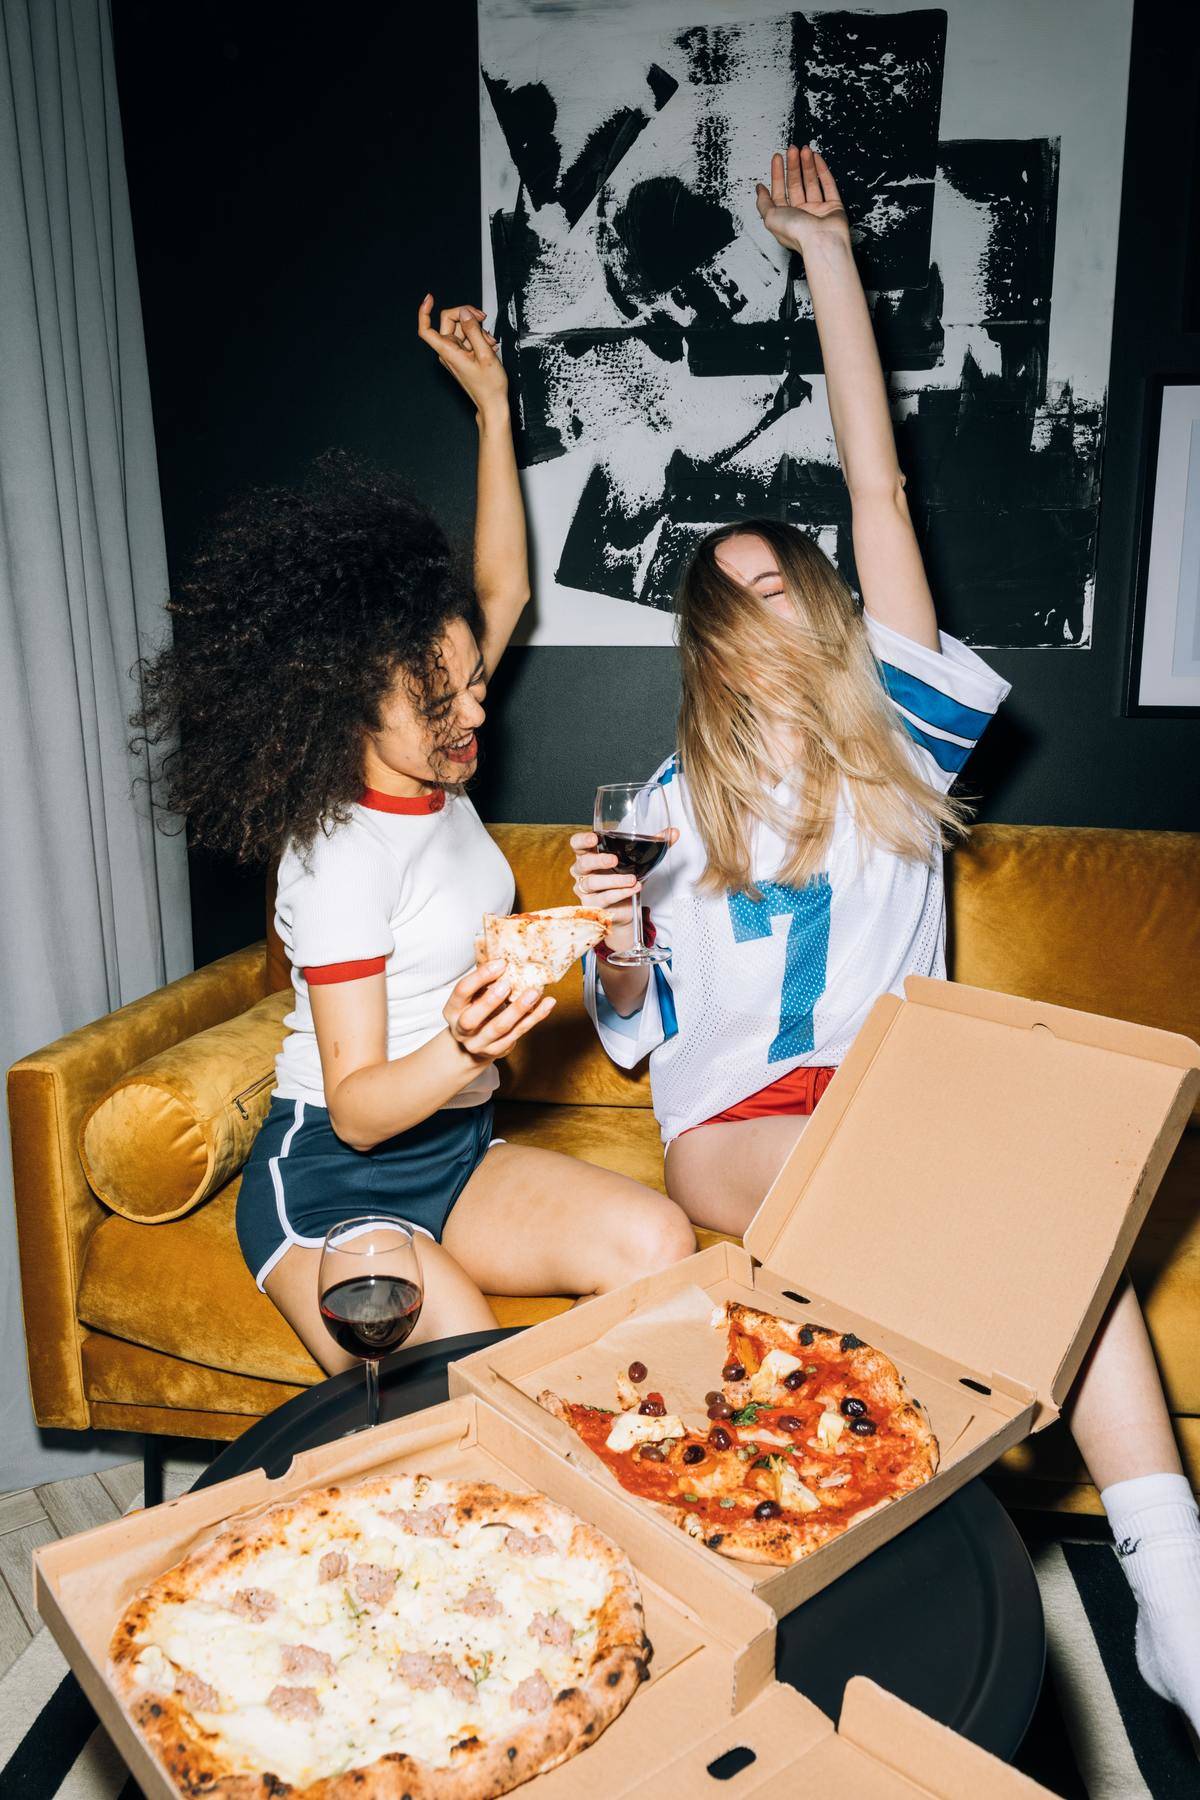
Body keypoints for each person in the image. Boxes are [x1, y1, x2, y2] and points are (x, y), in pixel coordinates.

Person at [569, 145, 1200, 1731]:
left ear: (822, 608)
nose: (764, 610)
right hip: (733, 1127)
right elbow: (639, 1020)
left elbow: (876, 482)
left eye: (781, 583)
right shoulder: (657, 796)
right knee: (890, 1203)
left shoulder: (895, 742)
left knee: (1050, 1217)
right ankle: (890, 1599)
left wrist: (828, 258)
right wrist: (616, 933)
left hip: (896, 1096)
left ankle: (1174, 1588)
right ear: (711, 648)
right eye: (733, 599)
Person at [135, 294, 695, 1372]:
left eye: (475, 682)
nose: (474, 713)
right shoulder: (338, 852)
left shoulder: (433, 764)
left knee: (657, 1243)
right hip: (339, 1180)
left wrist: (493, 405)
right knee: (468, 1373)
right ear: (350, 701)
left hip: (456, 1149)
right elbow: (354, 1111)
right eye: (441, 701)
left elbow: (503, 585)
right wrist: (468, 1043)